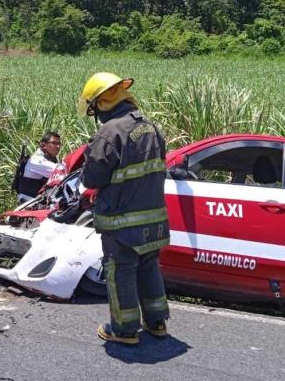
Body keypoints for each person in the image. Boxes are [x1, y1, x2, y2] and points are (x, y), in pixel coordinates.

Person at [79, 72, 170, 346]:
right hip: (154, 219)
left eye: (94, 109)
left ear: (102, 103)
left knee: (121, 270)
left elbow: (92, 178)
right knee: (148, 266)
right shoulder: (151, 128)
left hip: (122, 221)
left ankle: (124, 329)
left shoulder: (110, 133)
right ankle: (156, 322)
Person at [17, 131, 61, 202]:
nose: (58, 146)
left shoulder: (49, 159)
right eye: (54, 143)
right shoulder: (36, 160)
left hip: (37, 203)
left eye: (59, 144)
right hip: (29, 205)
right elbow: (61, 171)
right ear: (43, 145)